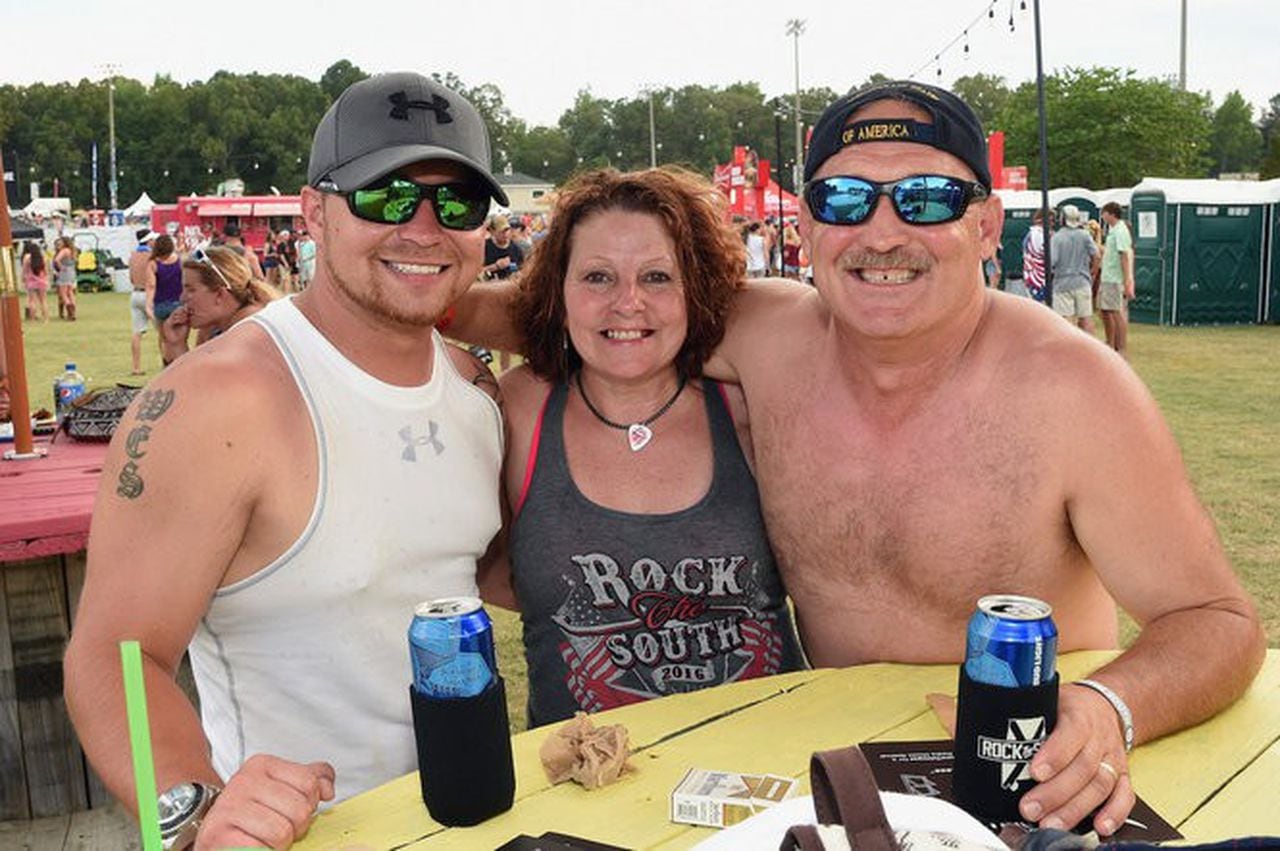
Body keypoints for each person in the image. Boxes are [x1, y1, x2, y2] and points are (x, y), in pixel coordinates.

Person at [448, 80, 1265, 838]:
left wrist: (1107, 704)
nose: (882, 233)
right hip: (833, 777)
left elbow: (1218, 621)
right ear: (806, 228)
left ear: (985, 226)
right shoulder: (767, 336)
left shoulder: (1072, 387)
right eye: (845, 199)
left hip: (1025, 779)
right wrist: (417, 312)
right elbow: (596, 316)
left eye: (926, 198)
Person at [64, 71, 511, 851]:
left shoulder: (476, 389)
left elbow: (469, 570)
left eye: (458, 203)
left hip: (477, 821)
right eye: (387, 196)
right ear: (314, 210)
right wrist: (191, 812)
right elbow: (115, 656)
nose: (425, 227)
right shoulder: (216, 403)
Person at [491, 167, 805, 727]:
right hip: (586, 790)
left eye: (658, 277)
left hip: (768, 776)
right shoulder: (516, 411)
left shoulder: (747, 406)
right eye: (597, 278)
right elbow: (481, 566)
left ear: (697, 290)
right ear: (557, 292)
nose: (628, 303)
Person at [160, 246, 280, 363]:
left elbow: (196, 382)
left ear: (219, 294)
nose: (182, 298)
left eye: (191, 290)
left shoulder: (248, 337)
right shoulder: (221, 330)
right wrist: (176, 344)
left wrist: (178, 348)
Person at [1049, 205, 1099, 333]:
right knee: (1086, 318)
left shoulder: (1057, 237)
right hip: (1082, 281)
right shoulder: (1085, 235)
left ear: (1062, 219)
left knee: (1066, 320)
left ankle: (1070, 350)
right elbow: (1096, 255)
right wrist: (1093, 271)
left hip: (1062, 284)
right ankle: (1091, 349)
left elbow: (1052, 261)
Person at [1099, 202, 1134, 358]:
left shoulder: (1120, 230)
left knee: (1116, 312)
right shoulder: (1113, 230)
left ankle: (1122, 347)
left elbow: (1124, 256)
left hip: (1114, 278)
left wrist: (1127, 280)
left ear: (1111, 214)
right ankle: (1111, 343)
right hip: (1107, 276)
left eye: (1104, 213)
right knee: (1105, 310)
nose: (1102, 216)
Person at [146, 234, 184, 365]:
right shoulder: (180, 261)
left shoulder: (153, 264)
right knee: (179, 339)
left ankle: (167, 364)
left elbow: (151, 286)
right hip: (178, 303)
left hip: (160, 304)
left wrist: (148, 305)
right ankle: (181, 364)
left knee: (165, 339)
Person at [127, 230, 158, 375]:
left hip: (135, 293)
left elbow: (131, 278)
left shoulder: (133, 255)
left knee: (136, 333)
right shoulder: (152, 257)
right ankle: (166, 363)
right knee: (163, 332)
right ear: (149, 241)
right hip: (149, 294)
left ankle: (136, 367)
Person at [1021, 208, 1053, 302]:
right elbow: (1044, 253)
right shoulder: (1038, 234)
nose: (1052, 223)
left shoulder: (1032, 233)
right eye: (1051, 220)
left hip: (1033, 275)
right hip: (1038, 277)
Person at [483, 214, 524, 280]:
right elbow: (475, 273)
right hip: (488, 286)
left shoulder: (516, 249)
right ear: (492, 231)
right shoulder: (484, 247)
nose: (505, 234)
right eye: (501, 231)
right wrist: (496, 266)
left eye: (507, 230)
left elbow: (520, 269)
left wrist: (517, 274)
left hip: (508, 286)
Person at [21, 240, 49, 322]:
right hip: (41, 281)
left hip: (31, 281)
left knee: (32, 301)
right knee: (43, 301)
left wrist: (23, 279)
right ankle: (46, 319)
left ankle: (32, 318)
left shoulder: (27, 257)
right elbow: (46, 271)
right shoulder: (43, 258)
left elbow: (24, 270)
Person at [53, 236, 77, 320]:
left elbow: (56, 260)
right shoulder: (72, 251)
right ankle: (73, 311)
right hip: (71, 271)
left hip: (64, 272)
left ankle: (69, 310)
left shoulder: (64, 251)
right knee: (70, 292)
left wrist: (60, 267)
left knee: (63, 293)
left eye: (61, 242)